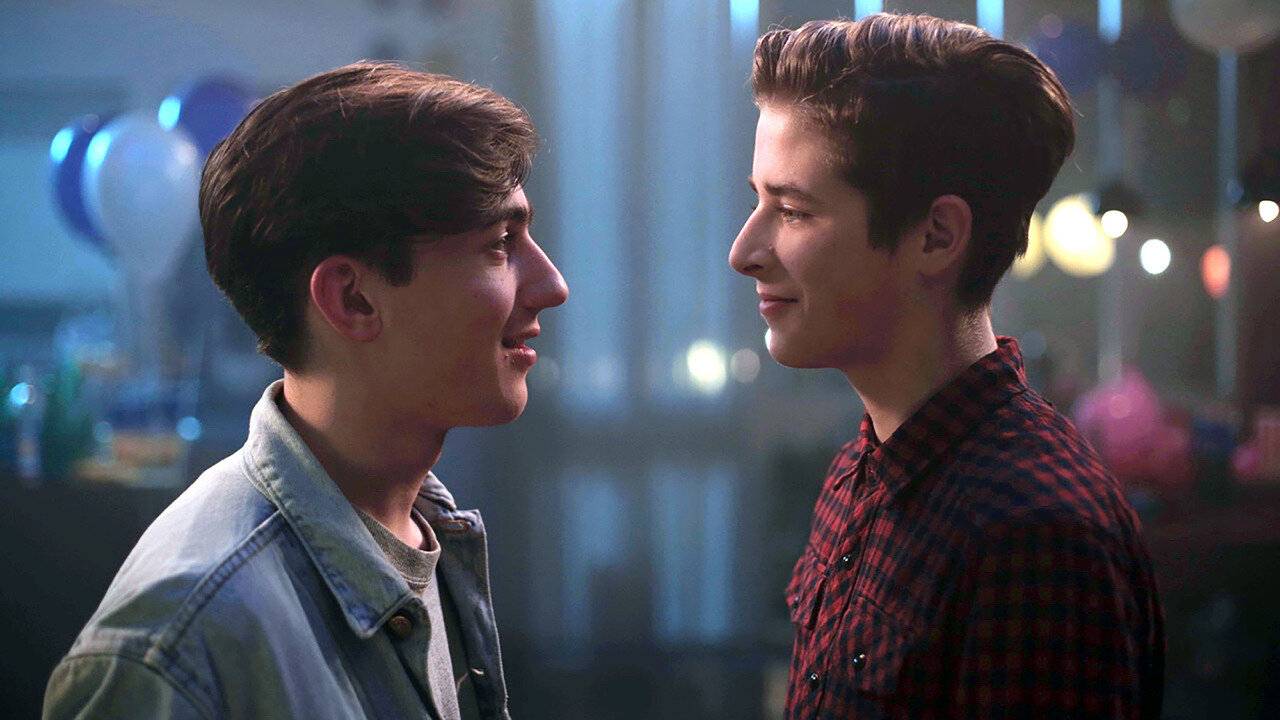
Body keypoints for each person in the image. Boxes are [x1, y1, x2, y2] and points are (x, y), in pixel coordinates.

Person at [45, 61, 567, 720]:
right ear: (353, 298)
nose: (552, 285)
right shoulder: (181, 648)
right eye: (500, 243)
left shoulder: (419, 527)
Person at [729, 14, 1163, 719]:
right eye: (758, 201)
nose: (744, 251)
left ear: (936, 236)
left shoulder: (1035, 536)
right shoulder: (858, 473)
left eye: (794, 210)